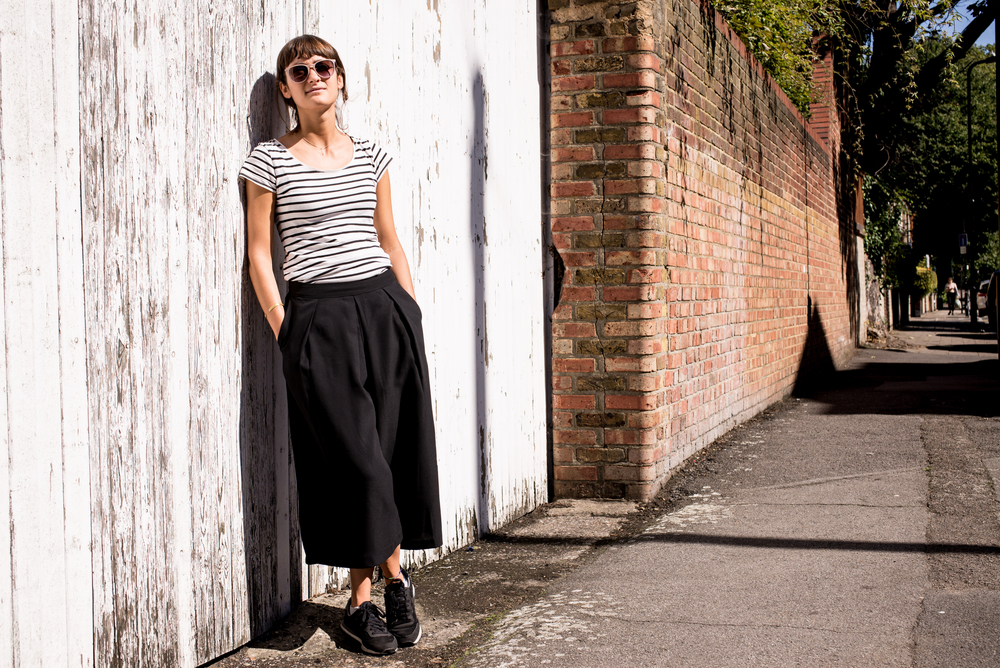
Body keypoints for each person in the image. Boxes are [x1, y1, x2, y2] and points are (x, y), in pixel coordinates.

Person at [239, 35, 442, 656]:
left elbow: (388, 233)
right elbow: (259, 254)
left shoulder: (373, 153)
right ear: (286, 89)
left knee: (386, 448)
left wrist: (408, 310)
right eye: (298, 71)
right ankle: (389, 581)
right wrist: (285, 328)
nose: (312, 76)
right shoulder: (267, 160)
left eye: (323, 66)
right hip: (316, 316)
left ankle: (368, 598)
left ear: (341, 78)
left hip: (382, 306)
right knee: (357, 459)